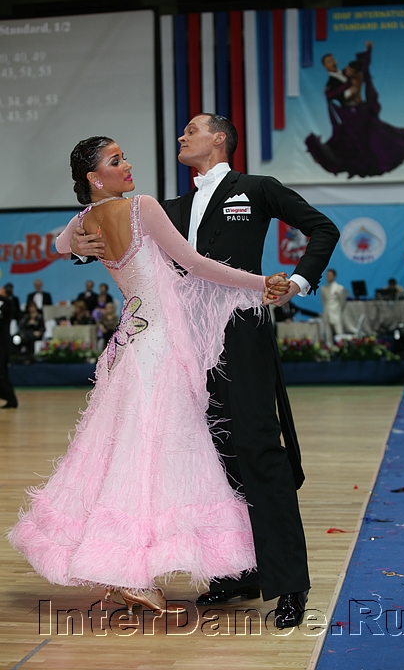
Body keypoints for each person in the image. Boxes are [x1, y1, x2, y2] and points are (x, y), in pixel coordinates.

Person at [69, 115, 340, 628]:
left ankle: (289, 583)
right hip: (184, 343)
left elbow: (324, 228)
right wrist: (78, 248)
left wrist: (299, 281)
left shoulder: (257, 189)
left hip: (240, 333)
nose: (182, 135)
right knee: (216, 457)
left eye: (192, 129)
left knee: (258, 449)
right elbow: (114, 235)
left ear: (219, 138)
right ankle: (237, 571)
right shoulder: (170, 207)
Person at [8, 135, 290, 616]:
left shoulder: (86, 220)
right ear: (96, 177)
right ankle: (130, 572)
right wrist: (259, 282)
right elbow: (196, 265)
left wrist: (72, 244)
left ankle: (126, 571)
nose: (127, 165)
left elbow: (60, 242)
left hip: (131, 345)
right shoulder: (142, 207)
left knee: (128, 454)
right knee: (154, 458)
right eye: (116, 160)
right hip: (159, 346)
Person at [306, 42, 404, 178]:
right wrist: (348, 88)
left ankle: (400, 148)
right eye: (328, 61)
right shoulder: (331, 84)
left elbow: (362, 65)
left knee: (379, 133)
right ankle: (365, 165)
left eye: (332, 59)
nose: (332, 62)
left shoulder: (347, 72)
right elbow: (332, 95)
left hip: (361, 110)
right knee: (356, 141)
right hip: (350, 115)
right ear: (325, 66)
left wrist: (368, 50)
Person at [0, 286, 18, 409]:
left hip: (3, 345)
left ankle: (11, 399)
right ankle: (9, 399)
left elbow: (7, 303)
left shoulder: (8, 304)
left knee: (1, 374)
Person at [321, 269, 347, 347]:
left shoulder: (339, 288)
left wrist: (338, 310)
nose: (328, 277)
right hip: (327, 313)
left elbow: (342, 301)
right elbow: (323, 301)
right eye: (327, 275)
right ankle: (329, 348)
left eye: (330, 275)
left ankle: (342, 348)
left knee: (339, 332)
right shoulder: (323, 289)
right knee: (328, 333)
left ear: (334, 276)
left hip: (336, 313)